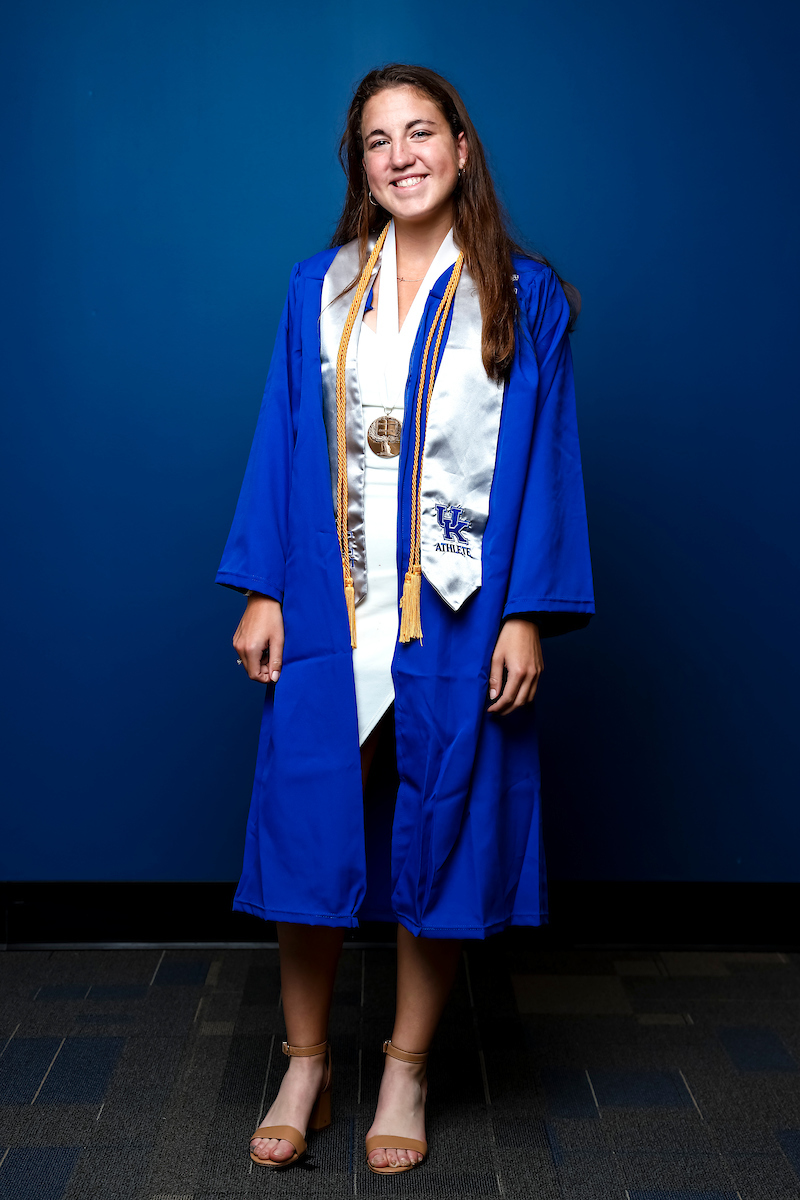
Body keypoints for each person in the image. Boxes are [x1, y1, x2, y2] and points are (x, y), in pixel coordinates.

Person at [216, 63, 594, 1175]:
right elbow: (284, 436)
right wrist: (264, 587)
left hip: (458, 606)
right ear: (360, 167)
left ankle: (403, 1068)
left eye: (419, 132)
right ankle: (303, 1063)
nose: (399, 155)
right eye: (376, 141)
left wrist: (526, 613)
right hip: (333, 593)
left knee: (444, 819)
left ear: (462, 150)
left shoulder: (526, 297)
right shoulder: (317, 288)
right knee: (309, 815)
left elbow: (547, 463)